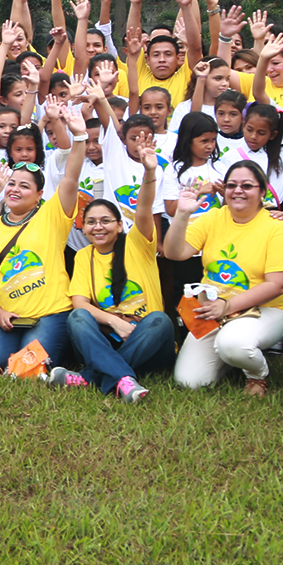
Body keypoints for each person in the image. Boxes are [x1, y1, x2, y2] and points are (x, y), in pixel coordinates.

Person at [0, 96, 93, 383]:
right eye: (12, 184)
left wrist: (79, 136)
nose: (15, 190)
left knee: (25, 367)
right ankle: (30, 361)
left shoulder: (52, 215)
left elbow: (70, 179)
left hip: (50, 313)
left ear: (39, 195)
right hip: (9, 316)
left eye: (25, 186)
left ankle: (48, 362)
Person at [160, 159, 283, 394]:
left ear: (263, 191)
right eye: (232, 185)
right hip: (213, 310)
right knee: (190, 382)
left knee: (233, 343)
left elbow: (279, 284)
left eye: (247, 186)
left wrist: (227, 306)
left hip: (266, 309)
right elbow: (175, 253)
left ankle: (256, 375)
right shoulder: (214, 217)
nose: (238, 191)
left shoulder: (277, 227)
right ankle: (234, 356)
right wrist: (182, 214)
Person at [65, 143, 172, 401]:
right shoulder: (83, 256)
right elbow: (79, 303)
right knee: (77, 317)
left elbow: (144, 209)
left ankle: (91, 377)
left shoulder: (138, 243)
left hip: (147, 341)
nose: (97, 227)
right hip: (109, 338)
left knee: (161, 321)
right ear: (83, 228)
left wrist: (149, 173)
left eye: (105, 221)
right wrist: (114, 322)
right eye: (90, 222)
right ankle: (124, 379)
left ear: (120, 224)